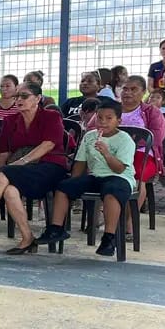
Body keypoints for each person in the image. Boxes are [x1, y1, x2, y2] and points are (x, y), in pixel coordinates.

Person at [0, 82, 67, 254]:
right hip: (21, 170)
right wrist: (2, 174)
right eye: (16, 96)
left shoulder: (51, 116)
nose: (19, 100)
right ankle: (27, 238)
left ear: (38, 98)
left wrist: (20, 163)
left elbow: (48, 144)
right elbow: (4, 153)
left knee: (7, 172)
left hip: (50, 167)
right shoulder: (10, 121)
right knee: (9, 191)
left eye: (24, 96)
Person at [36, 99, 136, 257]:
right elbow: (80, 163)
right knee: (63, 187)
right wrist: (73, 183)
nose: (103, 122)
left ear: (119, 121)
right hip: (95, 176)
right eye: (99, 118)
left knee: (111, 192)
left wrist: (106, 153)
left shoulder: (125, 140)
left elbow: (119, 169)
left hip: (119, 177)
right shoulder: (90, 136)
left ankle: (109, 238)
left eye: (109, 118)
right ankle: (56, 229)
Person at [116, 75, 165, 231]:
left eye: (133, 89)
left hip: (143, 154)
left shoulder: (152, 112)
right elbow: (92, 128)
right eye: (125, 89)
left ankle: (129, 222)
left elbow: (157, 136)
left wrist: (129, 143)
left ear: (144, 92)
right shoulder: (110, 108)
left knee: (137, 176)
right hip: (112, 153)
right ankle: (101, 216)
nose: (128, 92)